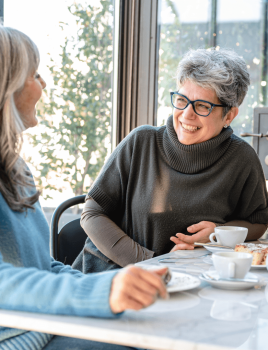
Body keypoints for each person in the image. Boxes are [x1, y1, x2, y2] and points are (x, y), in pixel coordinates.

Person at [0, 26, 168, 350]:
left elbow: (44, 268)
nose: (43, 84)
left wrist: (114, 284)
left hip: (50, 326)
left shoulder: (17, 170)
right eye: (35, 74)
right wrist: (99, 293)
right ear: (9, 86)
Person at [74, 48, 268, 273]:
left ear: (229, 116)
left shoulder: (241, 158)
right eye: (181, 100)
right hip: (114, 277)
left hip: (193, 282)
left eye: (202, 106)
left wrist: (219, 232)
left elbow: (257, 222)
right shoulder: (142, 142)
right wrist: (152, 262)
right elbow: (92, 212)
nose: (187, 114)